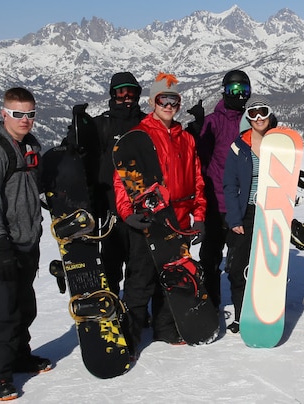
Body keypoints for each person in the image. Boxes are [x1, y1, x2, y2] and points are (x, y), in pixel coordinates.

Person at [113, 72, 206, 353]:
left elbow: (197, 179)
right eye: (163, 99)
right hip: (149, 217)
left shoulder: (185, 138)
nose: (168, 105)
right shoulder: (139, 136)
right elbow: (122, 177)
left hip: (178, 218)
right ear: (153, 101)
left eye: (173, 100)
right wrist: (127, 212)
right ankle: (130, 334)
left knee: (174, 277)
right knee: (140, 280)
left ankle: (165, 327)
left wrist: (199, 216)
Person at [0, 87, 50, 400]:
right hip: (0, 243)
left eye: (30, 114)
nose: (25, 120)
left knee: (24, 304)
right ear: (4, 114)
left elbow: (31, 190)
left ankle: (18, 355)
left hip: (26, 238)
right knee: (3, 308)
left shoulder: (28, 145)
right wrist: (0, 244)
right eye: (18, 114)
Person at [194, 70, 252, 311]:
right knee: (210, 260)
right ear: (224, 92)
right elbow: (199, 160)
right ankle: (211, 305)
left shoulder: (251, 120)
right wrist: (196, 132)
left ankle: (242, 309)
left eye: (243, 91)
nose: (238, 96)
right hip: (215, 205)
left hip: (240, 206)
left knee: (240, 264)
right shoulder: (213, 122)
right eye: (232, 91)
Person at [222, 95, 277, 334]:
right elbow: (229, 185)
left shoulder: (279, 142)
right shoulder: (239, 146)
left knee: (267, 267)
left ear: (269, 114)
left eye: (262, 112)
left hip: (270, 210)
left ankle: (264, 313)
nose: (258, 118)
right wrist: (234, 218)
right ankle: (240, 312)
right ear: (248, 117)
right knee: (238, 267)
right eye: (253, 114)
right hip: (245, 212)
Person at [93, 72, 147, 296]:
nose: (126, 98)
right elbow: (84, 159)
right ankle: (112, 306)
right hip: (110, 209)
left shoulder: (146, 123)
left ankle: (136, 313)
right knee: (110, 265)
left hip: (141, 207)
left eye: (131, 92)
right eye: (121, 92)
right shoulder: (101, 125)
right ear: (112, 94)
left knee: (140, 266)